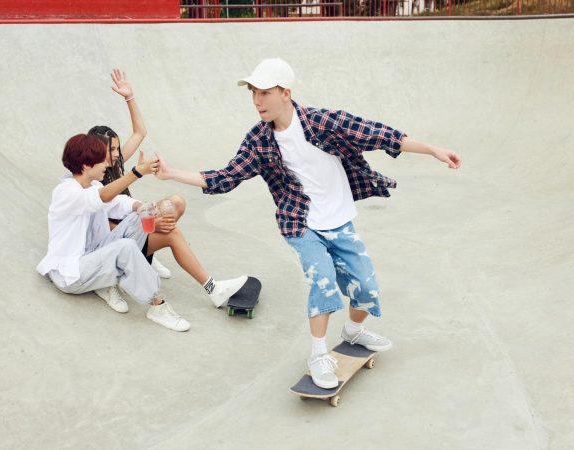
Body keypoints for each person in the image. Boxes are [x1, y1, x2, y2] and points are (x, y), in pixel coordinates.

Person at [156, 58, 462, 385]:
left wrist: (432, 149)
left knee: (367, 288)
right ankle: (318, 354)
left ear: (285, 92)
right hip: (300, 224)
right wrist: (172, 173)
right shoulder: (259, 140)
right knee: (324, 281)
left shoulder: (323, 122)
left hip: (340, 221)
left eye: (264, 93)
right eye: (252, 93)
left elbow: (380, 134)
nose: (257, 101)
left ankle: (354, 331)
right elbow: (226, 177)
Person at [36, 134, 247, 331]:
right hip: (72, 273)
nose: (108, 164)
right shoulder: (65, 192)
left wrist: (142, 208)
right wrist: (137, 173)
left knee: (157, 221)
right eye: (103, 160)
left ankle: (213, 288)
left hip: (96, 256)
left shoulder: (92, 185)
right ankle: (157, 306)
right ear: (86, 165)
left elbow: (117, 202)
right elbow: (102, 198)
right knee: (125, 247)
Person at [88, 68, 173, 279]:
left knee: (175, 204)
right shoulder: (92, 180)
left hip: (135, 219)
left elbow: (140, 132)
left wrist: (129, 97)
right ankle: (141, 252)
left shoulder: (116, 162)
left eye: (117, 149)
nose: (117, 154)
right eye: (112, 150)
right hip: (117, 232)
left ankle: (147, 250)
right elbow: (103, 223)